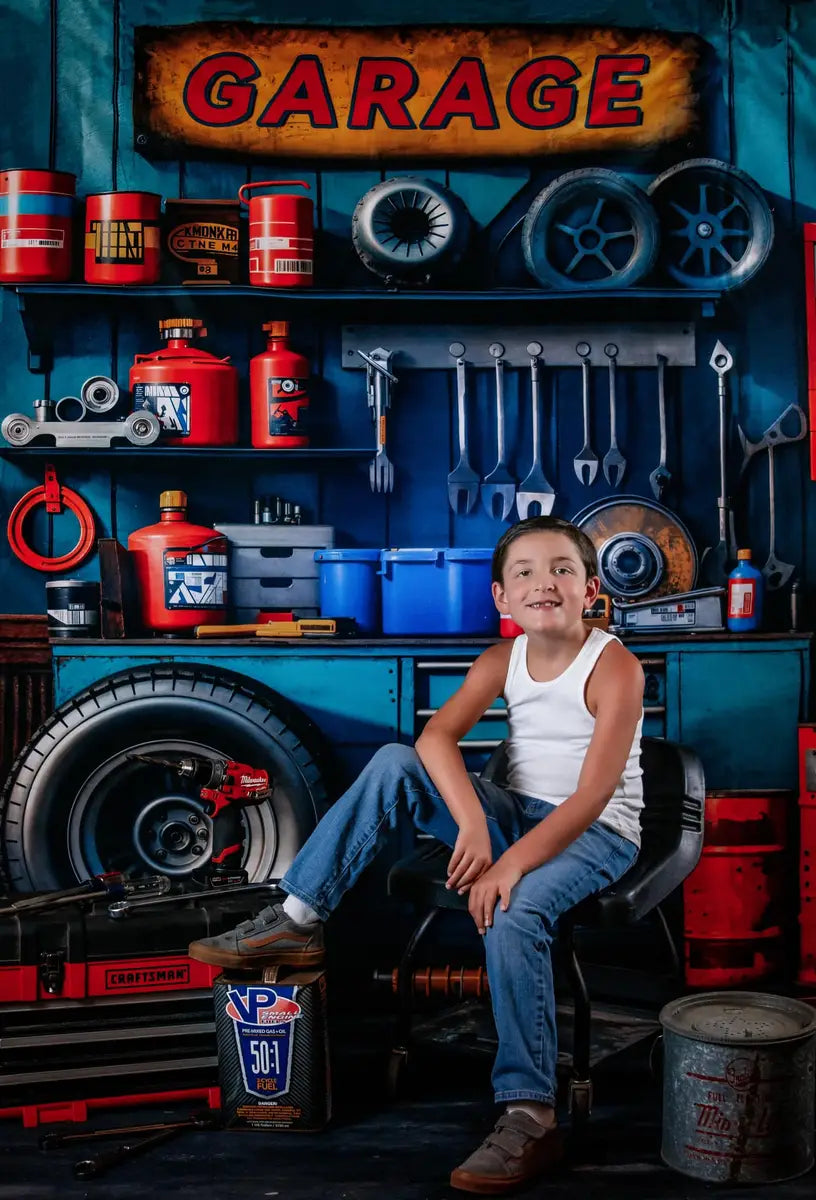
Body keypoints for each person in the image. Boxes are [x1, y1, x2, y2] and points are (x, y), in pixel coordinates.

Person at [189, 515, 644, 1193]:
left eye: (561, 569)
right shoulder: (501, 659)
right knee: (395, 759)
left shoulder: (615, 666)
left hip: (597, 830)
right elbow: (435, 741)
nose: (542, 582)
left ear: (589, 590)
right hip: (512, 813)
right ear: (501, 597)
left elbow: (590, 796)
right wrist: (476, 827)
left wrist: (510, 864)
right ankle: (298, 917)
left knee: (514, 914)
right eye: (523, 572)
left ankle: (530, 1115)